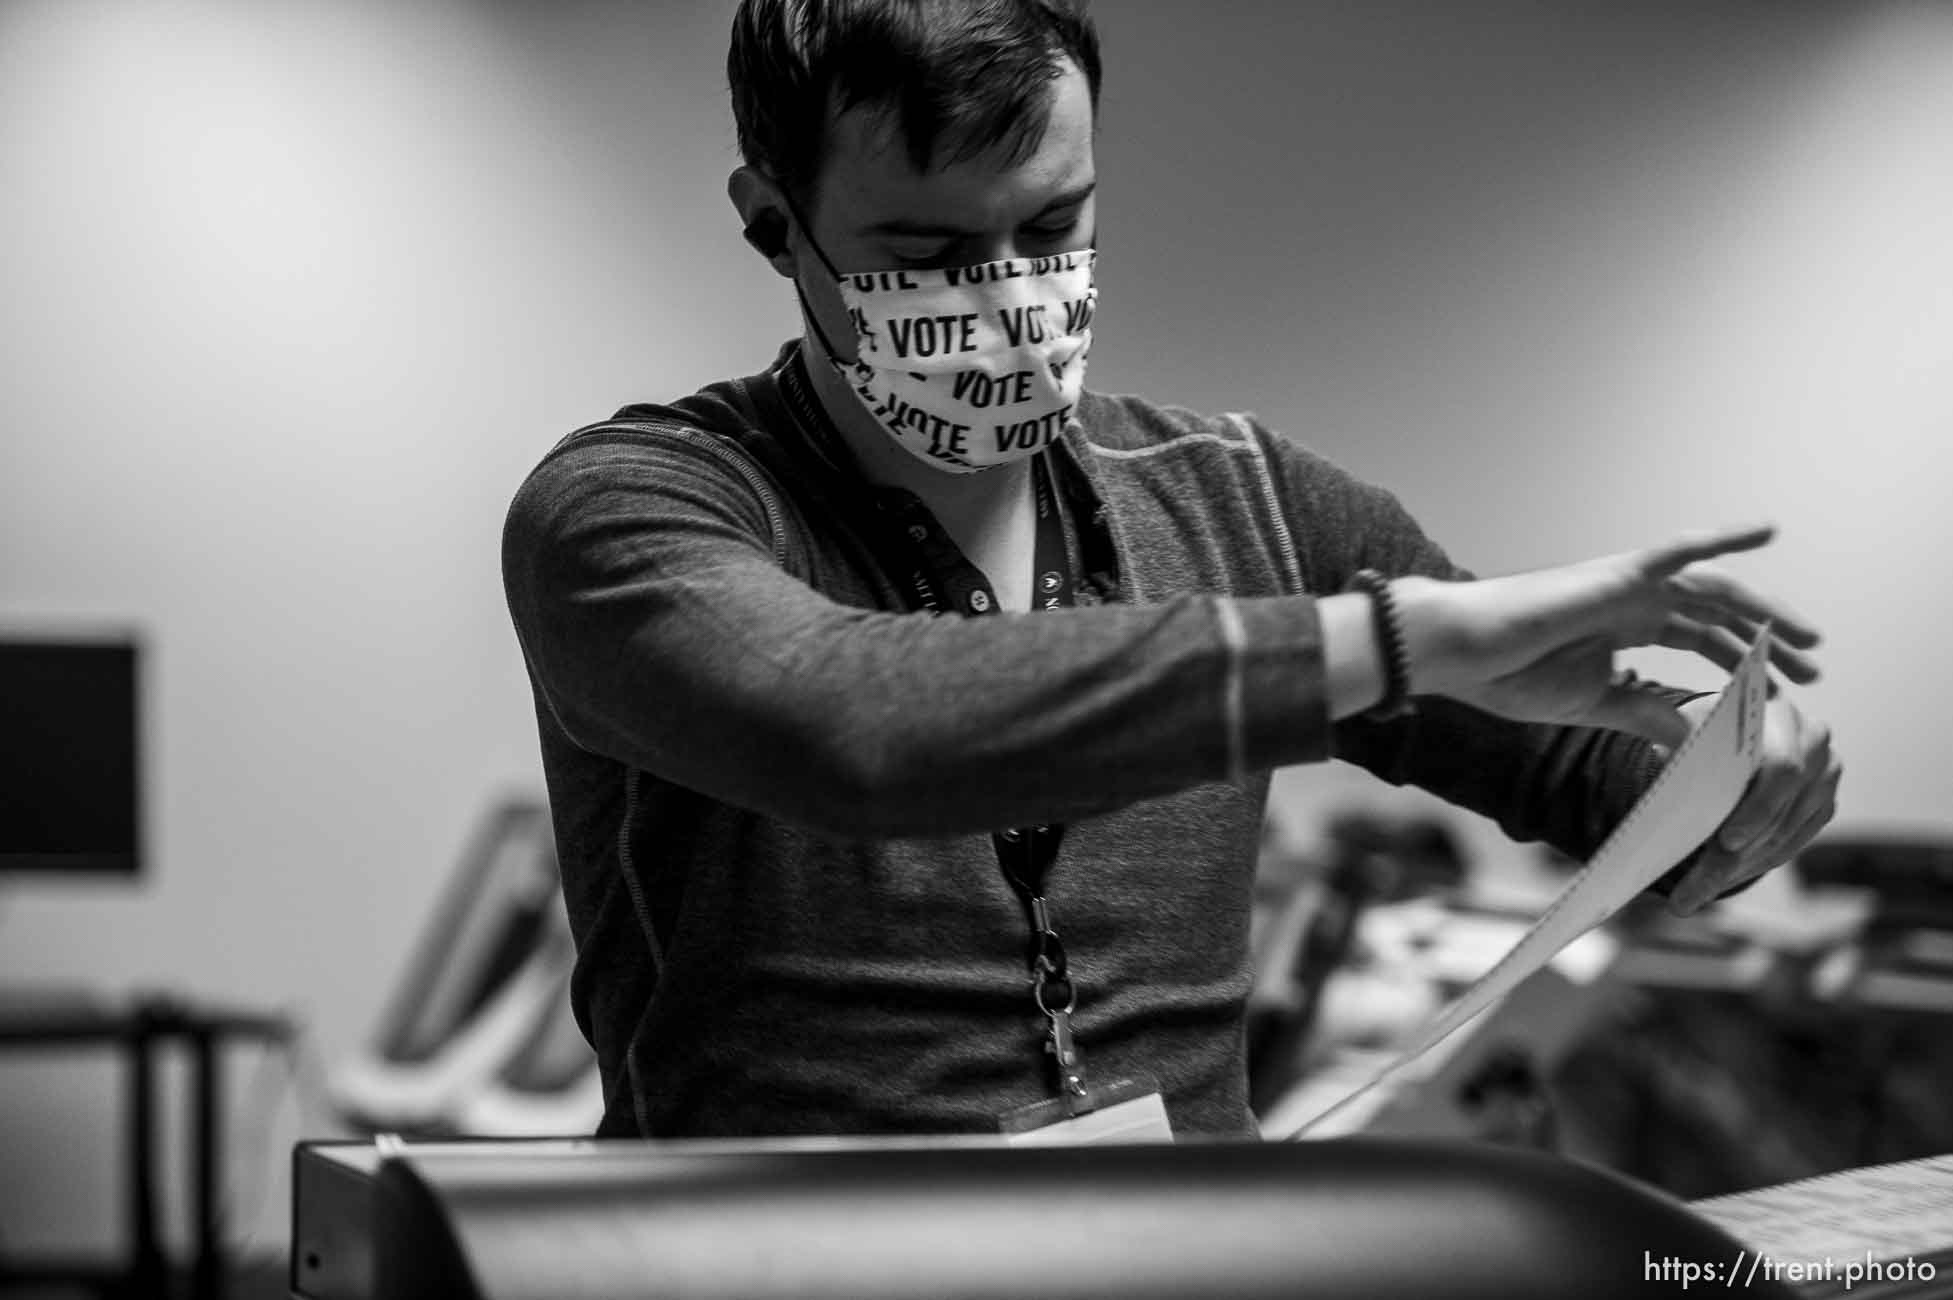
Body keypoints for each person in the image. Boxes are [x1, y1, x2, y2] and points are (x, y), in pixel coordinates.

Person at [500, 0, 1841, 1142]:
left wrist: (1727, 784)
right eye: (928, 256)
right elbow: (851, 726)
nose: (1005, 296)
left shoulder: (1242, 496)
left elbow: (1598, 791)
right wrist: (1382, 643)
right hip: (778, 1270)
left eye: (1052, 226)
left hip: (1183, 1252)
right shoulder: (631, 513)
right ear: (771, 223)